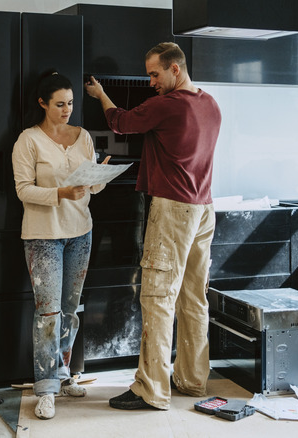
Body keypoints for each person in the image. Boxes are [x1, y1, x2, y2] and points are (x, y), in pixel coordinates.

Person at [84, 42, 222, 411]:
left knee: (158, 298)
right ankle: (192, 380)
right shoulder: (210, 104)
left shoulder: (168, 105)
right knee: (194, 299)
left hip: (174, 210)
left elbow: (121, 122)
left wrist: (101, 95)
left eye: (154, 74)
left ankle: (152, 390)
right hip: (204, 209)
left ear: (175, 69)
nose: (151, 82)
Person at [12, 71, 111, 420]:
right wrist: (61, 193)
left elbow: (91, 191)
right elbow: (23, 189)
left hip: (80, 231)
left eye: (70, 103)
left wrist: (98, 176)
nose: (67, 110)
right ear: (42, 103)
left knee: (70, 310)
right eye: (59, 104)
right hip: (43, 237)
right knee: (48, 315)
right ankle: (46, 389)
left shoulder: (82, 136)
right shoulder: (28, 140)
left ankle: (64, 373)